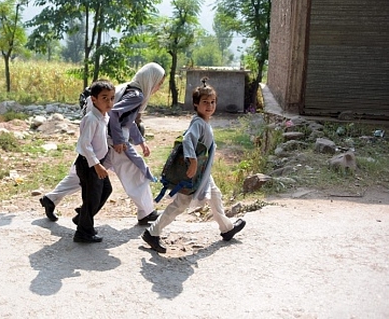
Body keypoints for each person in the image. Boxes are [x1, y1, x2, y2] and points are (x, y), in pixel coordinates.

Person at [40, 62, 166, 225]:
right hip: (116, 145)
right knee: (136, 174)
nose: (158, 88)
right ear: (151, 80)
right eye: (159, 83)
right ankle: (146, 212)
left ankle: (51, 199)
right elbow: (114, 113)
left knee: (83, 174)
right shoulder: (137, 95)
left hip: (106, 140)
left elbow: (127, 120)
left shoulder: (128, 88)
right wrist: (120, 140)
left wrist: (141, 142)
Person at [141, 78, 246, 253]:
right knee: (180, 205)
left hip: (202, 174)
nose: (210, 106)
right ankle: (152, 233)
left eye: (213, 102)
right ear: (196, 104)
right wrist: (193, 161)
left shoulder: (204, 122)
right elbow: (189, 139)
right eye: (205, 102)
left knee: (215, 196)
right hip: (194, 173)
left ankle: (227, 228)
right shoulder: (198, 123)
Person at [73, 80, 115, 243]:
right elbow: (84, 143)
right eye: (104, 98)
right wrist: (96, 165)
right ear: (93, 99)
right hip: (89, 164)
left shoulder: (104, 117)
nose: (109, 102)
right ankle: (83, 232)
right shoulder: (92, 118)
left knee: (105, 191)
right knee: (92, 197)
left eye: (112, 98)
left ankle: (83, 218)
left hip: (97, 163)